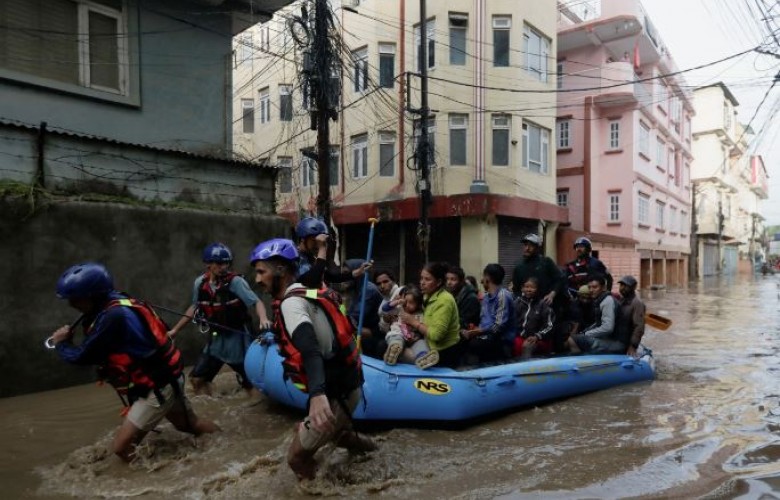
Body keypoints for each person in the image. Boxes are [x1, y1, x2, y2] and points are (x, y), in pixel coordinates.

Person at [50, 263, 218, 462]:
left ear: (93, 296)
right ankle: (225, 442)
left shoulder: (113, 317)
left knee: (122, 448)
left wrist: (62, 343)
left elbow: (82, 356)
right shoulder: (119, 301)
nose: (72, 305)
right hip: (165, 378)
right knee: (189, 425)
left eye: (76, 300)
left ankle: (157, 485)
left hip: (157, 386)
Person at [250, 238, 376, 481]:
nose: (257, 279)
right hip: (347, 384)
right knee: (343, 435)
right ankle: (374, 453)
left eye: (261, 271)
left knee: (296, 458)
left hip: (334, 392)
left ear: (281, 270)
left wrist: (317, 395)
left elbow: (310, 349)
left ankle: (325, 491)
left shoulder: (291, 304)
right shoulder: (302, 288)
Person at [167, 242, 267, 395]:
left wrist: (263, 319)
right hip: (216, 341)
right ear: (208, 264)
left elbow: (256, 302)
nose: (224, 267)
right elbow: (194, 307)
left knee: (251, 383)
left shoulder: (236, 282)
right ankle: (213, 401)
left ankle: (253, 403)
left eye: (226, 263)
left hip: (238, 341)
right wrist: (175, 330)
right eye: (219, 264)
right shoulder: (200, 284)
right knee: (197, 379)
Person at [400, 262, 462, 368]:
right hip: (428, 344)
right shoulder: (426, 296)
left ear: (438, 282)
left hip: (443, 353)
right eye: (421, 278)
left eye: (427, 279)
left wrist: (413, 322)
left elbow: (436, 335)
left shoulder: (445, 300)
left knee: (396, 352)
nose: (422, 283)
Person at [295, 217, 371, 289]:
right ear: (303, 239)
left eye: (321, 242)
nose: (318, 245)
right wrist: (322, 248)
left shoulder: (311, 258)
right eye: (315, 241)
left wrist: (357, 272)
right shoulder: (294, 258)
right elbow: (313, 281)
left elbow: (330, 277)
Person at [461, 264, 516, 363]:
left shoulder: (503, 296)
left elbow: (499, 326)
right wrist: (474, 329)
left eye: (483, 277)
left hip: (501, 340)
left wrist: (480, 331)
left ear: (487, 278)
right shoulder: (486, 297)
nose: (482, 281)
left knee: (472, 346)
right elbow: (484, 322)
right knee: (462, 339)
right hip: (486, 337)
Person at [381, 286, 439, 369]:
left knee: (421, 344)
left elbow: (422, 328)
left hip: (413, 338)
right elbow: (385, 308)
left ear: (418, 304)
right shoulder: (399, 309)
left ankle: (423, 358)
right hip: (398, 333)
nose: (407, 305)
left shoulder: (420, 314)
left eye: (411, 303)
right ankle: (393, 351)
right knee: (396, 339)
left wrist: (418, 336)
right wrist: (397, 301)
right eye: (406, 301)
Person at [566, 274, 624, 354]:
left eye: (595, 287)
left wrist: (587, 334)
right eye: (589, 287)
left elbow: (607, 328)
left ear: (603, 288)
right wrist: (585, 332)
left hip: (615, 343)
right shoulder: (600, 300)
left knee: (572, 339)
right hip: (609, 339)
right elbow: (598, 323)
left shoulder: (607, 301)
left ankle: (581, 362)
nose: (591, 290)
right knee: (577, 337)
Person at [341, 258, 384, 358]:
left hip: (376, 332)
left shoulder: (368, 290)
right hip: (362, 327)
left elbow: (355, 317)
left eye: (347, 273)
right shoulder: (355, 290)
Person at [511, 233, 565, 309]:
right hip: (527, 308)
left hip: (545, 305)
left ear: (537, 248)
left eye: (531, 245)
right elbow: (516, 290)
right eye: (525, 245)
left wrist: (552, 294)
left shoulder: (546, 262)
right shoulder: (519, 266)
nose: (527, 248)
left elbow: (559, 279)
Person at [513, 277, 556, 359]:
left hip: (539, 339)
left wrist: (537, 336)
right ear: (522, 288)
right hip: (520, 337)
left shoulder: (543, 304)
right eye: (526, 287)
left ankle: (526, 370)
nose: (529, 289)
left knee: (527, 346)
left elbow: (550, 326)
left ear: (537, 289)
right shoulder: (517, 302)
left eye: (532, 287)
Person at [615, 275, 646, 357]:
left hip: (626, 342)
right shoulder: (621, 300)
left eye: (626, 286)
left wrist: (633, 346)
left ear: (633, 287)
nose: (622, 288)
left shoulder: (637, 303)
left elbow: (639, 327)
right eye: (621, 285)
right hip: (618, 339)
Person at [445, 265, 480, 330]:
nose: (449, 282)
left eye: (453, 279)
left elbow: (465, 322)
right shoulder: (450, 294)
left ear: (461, 281)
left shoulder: (471, 298)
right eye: (447, 279)